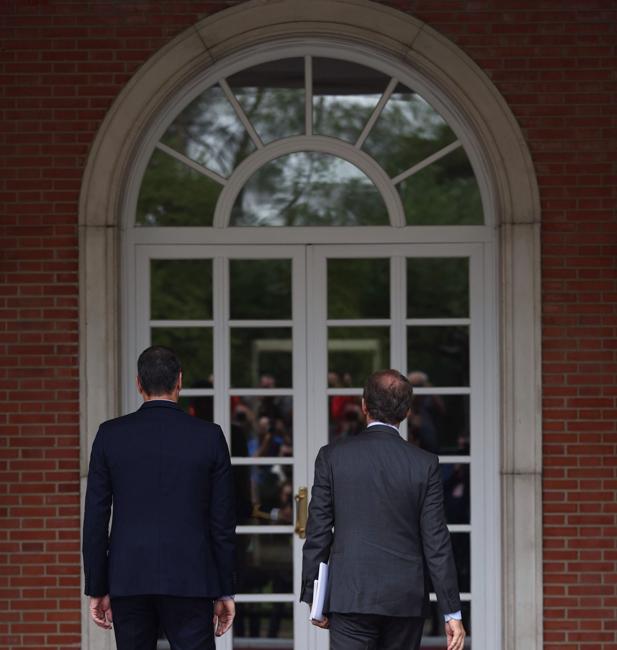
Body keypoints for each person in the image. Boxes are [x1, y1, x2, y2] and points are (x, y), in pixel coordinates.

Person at [82, 346, 236, 650]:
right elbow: (223, 522)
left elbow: (96, 518)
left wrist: (97, 585)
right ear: (180, 381)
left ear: (138, 384)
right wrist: (225, 590)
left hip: (129, 577)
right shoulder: (209, 436)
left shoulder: (110, 435)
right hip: (191, 577)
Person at [301, 369, 466, 650]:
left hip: (350, 596)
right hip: (405, 599)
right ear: (406, 412)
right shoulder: (424, 464)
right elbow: (437, 541)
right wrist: (452, 612)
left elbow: (318, 532)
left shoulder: (332, 457)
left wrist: (314, 597)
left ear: (364, 404)